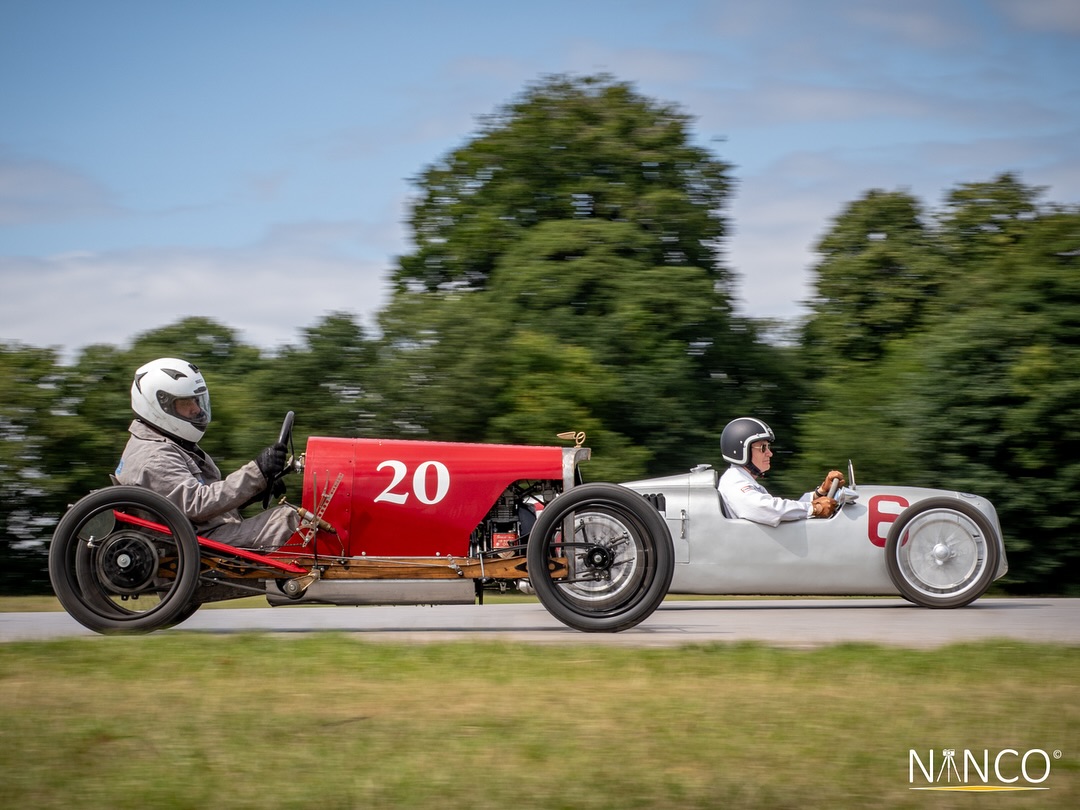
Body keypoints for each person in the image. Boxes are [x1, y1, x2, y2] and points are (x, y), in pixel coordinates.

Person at [114, 357, 300, 550]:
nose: (197, 409)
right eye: (186, 403)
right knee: (287, 521)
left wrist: (255, 490)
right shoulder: (154, 456)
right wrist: (256, 472)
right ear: (160, 406)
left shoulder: (166, 443)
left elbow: (198, 504)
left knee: (297, 517)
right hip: (197, 547)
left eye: (196, 400)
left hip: (205, 534)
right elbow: (197, 505)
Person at [718, 417, 843, 526]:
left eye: (768, 447)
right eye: (763, 448)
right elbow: (767, 509)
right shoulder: (734, 482)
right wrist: (814, 508)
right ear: (742, 451)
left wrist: (819, 493)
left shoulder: (742, 480)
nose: (770, 453)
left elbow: (785, 513)